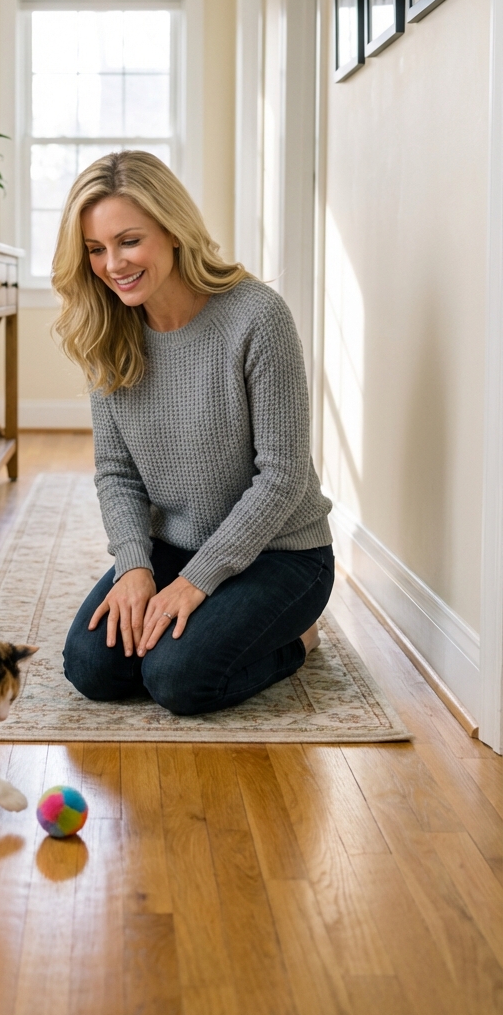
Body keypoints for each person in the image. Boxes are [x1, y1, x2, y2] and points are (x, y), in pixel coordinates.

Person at [52, 152, 334, 716]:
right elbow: (117, 472)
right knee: (93, 667)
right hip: (172, 544)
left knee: (177, 680)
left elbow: (282, 477)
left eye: (129, 241)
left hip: (282, 553)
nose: (112, 264)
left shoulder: (257, 316)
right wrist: (135, 566)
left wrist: (195, 582)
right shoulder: (107, 330)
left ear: (174, 231)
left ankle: (299, 641)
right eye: (95, 249)